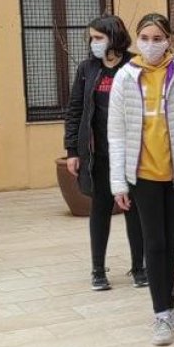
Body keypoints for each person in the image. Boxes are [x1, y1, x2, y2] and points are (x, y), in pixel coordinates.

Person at [109, 14, 174, 346]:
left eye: (157, 38)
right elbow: (116, 134)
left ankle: (170, 306)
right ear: (136, 40)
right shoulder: (125, 77)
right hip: (142, 176)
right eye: (145, 37)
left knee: (173, 243)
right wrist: (119, 183)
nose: (151, 44)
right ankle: (160, 315)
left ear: (169, 39)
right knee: (154, 243)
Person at [65, 15, 146, 291]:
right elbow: (75, 109)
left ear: (114, 37)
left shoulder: (136, 65)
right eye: (92, 38)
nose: (94, 43)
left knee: (133, 210)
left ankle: (139, 267)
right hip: (97, 155)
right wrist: (72, 150)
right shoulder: (88, 69)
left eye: (99, 37)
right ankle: (98, 270)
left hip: (131, 153)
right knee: (99, 210)